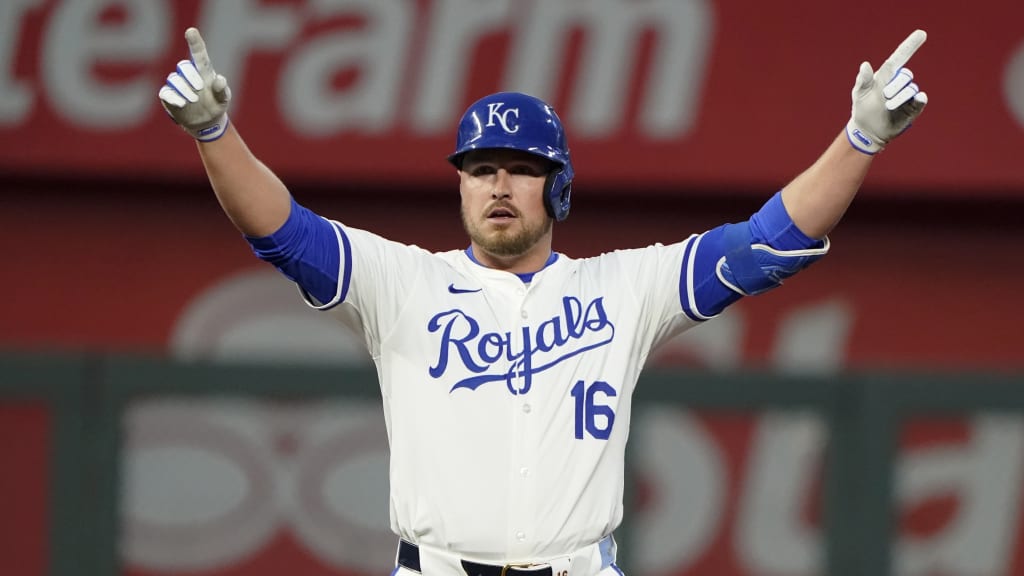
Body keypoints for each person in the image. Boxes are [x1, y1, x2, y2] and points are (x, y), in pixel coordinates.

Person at [158, 26, 929, 576]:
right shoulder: (404, 284)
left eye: (520, 168)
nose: (498, 184)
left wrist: (859, 139)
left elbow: (766, 246)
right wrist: (214, 132)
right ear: (459, 184)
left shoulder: (623, 288)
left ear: (557, 185)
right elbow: (283, 233)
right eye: (480, 167)